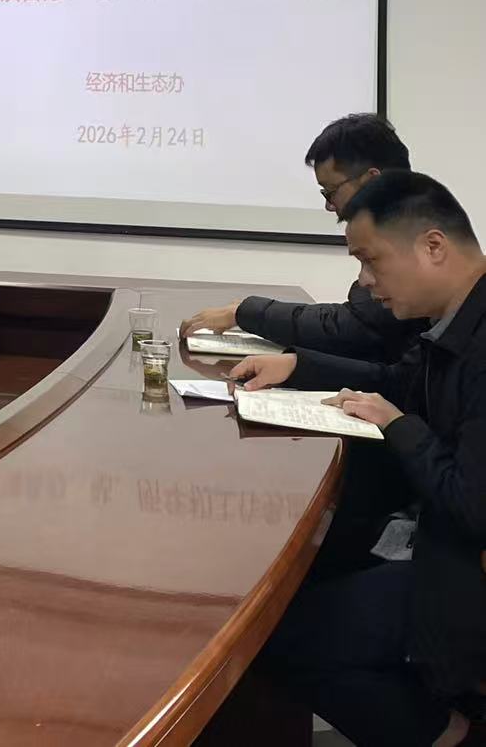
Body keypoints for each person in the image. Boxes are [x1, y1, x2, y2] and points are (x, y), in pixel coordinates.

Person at [231, 172, 486, 747]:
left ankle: (445, 733)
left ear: (433, 246)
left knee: (278, 638)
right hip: (445, 548)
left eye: (371, 261)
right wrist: (300, 366)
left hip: (467, 573)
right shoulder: (458, 318)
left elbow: (472, 504)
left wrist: (399, 425)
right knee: (310, 585)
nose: (367, 284)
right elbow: (400, 382)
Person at [182, 113, 419, 362]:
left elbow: (353, 330)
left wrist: (247, 313)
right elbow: (359, 321)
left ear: (373, 181)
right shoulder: (399, 223)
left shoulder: (413, 236)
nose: (329, 206)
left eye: (331, 192)